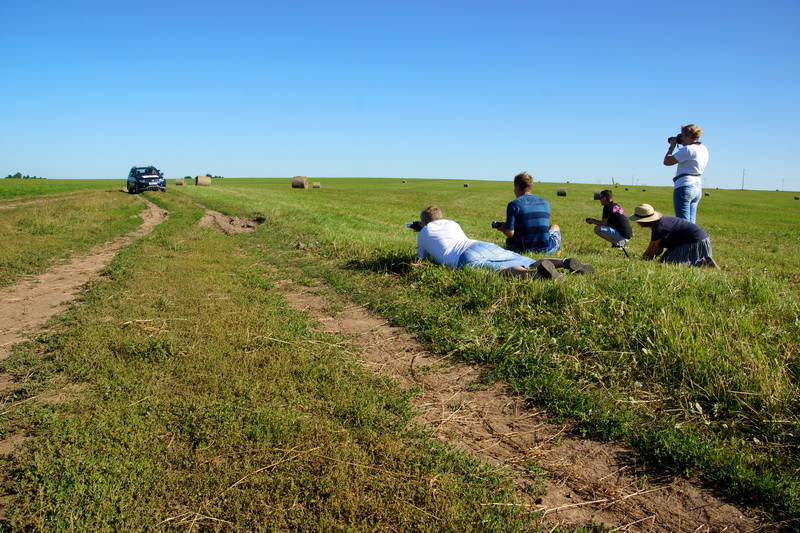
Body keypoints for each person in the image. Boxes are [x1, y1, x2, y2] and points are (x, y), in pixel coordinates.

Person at [415, 206, 592, 279]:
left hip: (465, 257)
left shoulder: (423, 232)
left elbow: (421, 260)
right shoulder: (452, 223)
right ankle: (565, 262)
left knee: (502, 270)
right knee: (527, 259)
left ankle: (534, 275)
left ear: (424, 221)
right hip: (481, 245)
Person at [628, 203, 718, 267]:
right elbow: (658, 249)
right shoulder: (661, 222)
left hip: (695, 242)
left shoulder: (659, 228)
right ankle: (702, 259)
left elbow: (651, 251)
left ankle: (702, 263)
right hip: (701, 239)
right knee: (665, 259)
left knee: (670, 263)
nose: (637, 223)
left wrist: (641, 260)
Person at [495, 172, 561, 254]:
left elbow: (510, 233)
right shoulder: (545, 202)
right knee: (555, 226)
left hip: (522, 248)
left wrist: (504, 228)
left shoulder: (513, 204)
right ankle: (556, 250)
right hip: (545, 248)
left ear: (517, 187)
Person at [664, 124, 708, 223]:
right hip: (697, 186)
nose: (681, 138)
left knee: (683, 223)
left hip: (685, 185)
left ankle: (685, 238)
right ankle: (693, 238)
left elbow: (667, 161)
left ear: (688, 136)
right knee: (691, 223)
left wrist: (671, 147)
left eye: (682, 136)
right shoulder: (703, 149)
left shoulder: (688, 149)